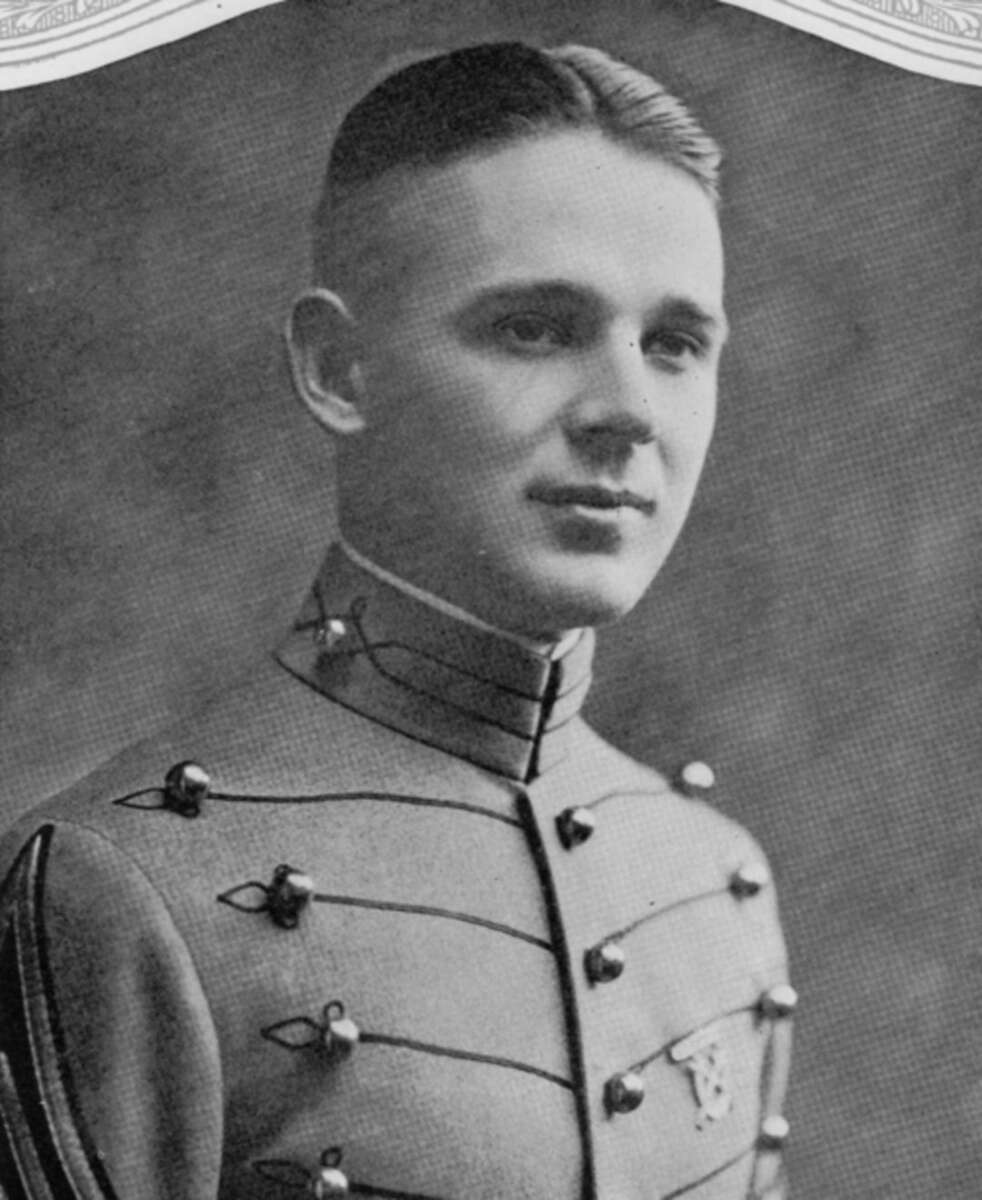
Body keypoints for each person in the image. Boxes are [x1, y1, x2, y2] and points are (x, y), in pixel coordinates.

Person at [0, 41, 794, 1200]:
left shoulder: (714, 884)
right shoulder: (123, 894)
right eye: (532, 328)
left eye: (674, 345)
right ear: (338, 369)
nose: (627, 410)